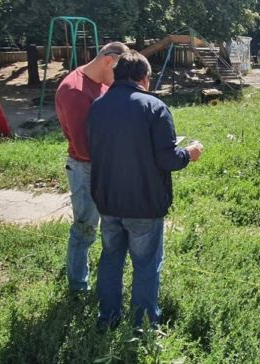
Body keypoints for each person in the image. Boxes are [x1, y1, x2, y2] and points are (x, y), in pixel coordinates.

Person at [87, 50, 204, 330]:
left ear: (116, 75)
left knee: (111, 260)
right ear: (144, 78)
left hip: (108, 201)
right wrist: (190, 153)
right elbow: (168, 159)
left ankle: (108, 318)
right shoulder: (154, 107)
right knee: (146, 265)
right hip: (144, 204)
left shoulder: (97, 106)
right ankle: (142, 326)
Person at [55, 41, 129, 291]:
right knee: (85, 228)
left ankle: (107, 281)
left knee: (112, 227)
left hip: (106, 165)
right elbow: (84, 146)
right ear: (108, 61)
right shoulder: (75, 91)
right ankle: (78, 286)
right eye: (119, 73)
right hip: (87, 168)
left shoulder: (101, 84)